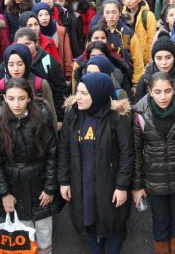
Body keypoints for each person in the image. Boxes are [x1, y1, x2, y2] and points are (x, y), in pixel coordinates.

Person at [58, 72, 133, 254]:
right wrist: (64, 181)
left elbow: (126, 154)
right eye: (78, 92)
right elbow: (64, 150)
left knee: (113, 224)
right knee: (88, 221)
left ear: (99, 94)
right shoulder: (72, 115)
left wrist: (122, 186)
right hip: (81, 183)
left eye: (84, 93)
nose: (78, 98)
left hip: (109, 184)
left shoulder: (117, 117)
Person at [0, 77, 63, 254]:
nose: (16, 104)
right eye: (11, 98)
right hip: (15, 185)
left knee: (44, 227)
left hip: (40, 180)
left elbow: (53, 153)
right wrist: (4, 194)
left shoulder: (42, 117)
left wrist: (49, 187)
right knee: (23, 230)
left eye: (21, 98)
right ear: (4, 98)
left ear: (29, 97)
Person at [132, 71, 175, 254]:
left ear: (173, 89)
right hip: (153, 179)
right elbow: (136, 152)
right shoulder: (140, 113)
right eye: (158, 92)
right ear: (150, 91)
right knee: (160, 220)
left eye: (167, 91)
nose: (163, 96)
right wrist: (137, 186)